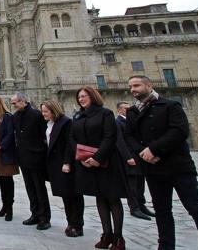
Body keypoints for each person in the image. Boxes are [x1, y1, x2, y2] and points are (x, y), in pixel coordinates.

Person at [125, 75, 198, 250]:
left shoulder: (170, 105)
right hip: (153, 168)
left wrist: (153, 149)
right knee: (162, 212)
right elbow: (129, 136)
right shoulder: (133, 112)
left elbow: (179, 131)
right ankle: (165, 247)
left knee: (197, 210)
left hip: (178, 167)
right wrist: (143, 152)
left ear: (149, 85)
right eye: (131, 87)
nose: (133, 89)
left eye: (137, 85)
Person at [71, 86, 127, 250]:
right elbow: (72, 137)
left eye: (84, 96)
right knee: (100, 198)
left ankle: (118, 238)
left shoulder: (105, 113)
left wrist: (97, 158)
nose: (81, 99)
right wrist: (82, 156)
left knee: (112, 198)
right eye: (79, 97)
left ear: (93, 96)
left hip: (106, 162)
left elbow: (110, 136)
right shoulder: (78, 116)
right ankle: (106, 234)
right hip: (86, 162)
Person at [41, 100, 84, 237]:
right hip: (54, 164)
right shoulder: (49, 123)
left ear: (53, 111)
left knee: (73, 195)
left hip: (65, 164)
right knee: (65, 195)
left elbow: (70, 145)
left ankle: (77, 225)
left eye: (45, 112)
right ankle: (70, 223)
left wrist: (67, 162)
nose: (43, 114)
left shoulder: (66, 122)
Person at [11, 93, 50, 230]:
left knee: (39, 188)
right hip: (23, 158)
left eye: (15, 103)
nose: (13, 106)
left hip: (36, 157)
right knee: (30, 188)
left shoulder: (36, 115)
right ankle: (35, 214)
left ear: (23, 101)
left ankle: (44, 217)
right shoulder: (15, 117)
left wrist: (40, 151)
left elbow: (44, 135)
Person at [115, 101, 155, 221]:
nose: (129, 110)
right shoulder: (118, 123)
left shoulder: (132, 121)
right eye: (126, 108)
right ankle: (134, 207)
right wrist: (128, 157)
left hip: (139, 157)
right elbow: (120, 142)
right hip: (129, 158)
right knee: (131, 184)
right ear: (119, 110)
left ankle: (141, 205)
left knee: (140, 182)